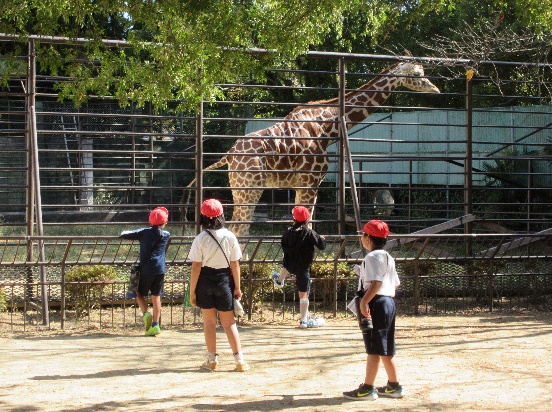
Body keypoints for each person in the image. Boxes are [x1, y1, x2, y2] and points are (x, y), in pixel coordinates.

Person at [343, 219, 403, 401]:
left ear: (368, 238)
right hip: (389, 302)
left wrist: (364, 303)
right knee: (384, 346)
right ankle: (394, 386)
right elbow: (395, 282)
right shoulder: (388, 257)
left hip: (377, 302)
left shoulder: (371, 257)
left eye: (363, 235)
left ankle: (368, 388)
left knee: (373, 347)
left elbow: (376, 283)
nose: (362, 238)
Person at [188, 198, 249, 372]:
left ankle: (212, 359)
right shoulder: (230, 236)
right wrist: (237, 287)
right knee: (229, 323)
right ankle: (240, 361)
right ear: (222, 214)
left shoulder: (200, 238)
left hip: (205, 281)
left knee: (209, 322)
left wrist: (192, 291)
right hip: (224, 280)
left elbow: (196, 266)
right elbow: (235, 264)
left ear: (202, 216)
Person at [271, 206, 326, 328]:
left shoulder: (287, 233)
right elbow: (322, 246)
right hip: (303, 267)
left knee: (286, 265)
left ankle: (280, 280)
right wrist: (322, 239)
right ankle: (304, 320)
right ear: (307, 219)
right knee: (303, 294)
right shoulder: (310, 233)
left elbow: (283, 246)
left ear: (293, 218)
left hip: (290, 263)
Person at [120, 207, 170, 336]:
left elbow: (124, 234)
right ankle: (155, 325)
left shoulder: (143, 232)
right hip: (160, 269)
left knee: (139, 293)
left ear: (150, 221)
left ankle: (145, 313)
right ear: (165, 222)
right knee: (156, 296)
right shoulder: (166, 235)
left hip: (147, 268)